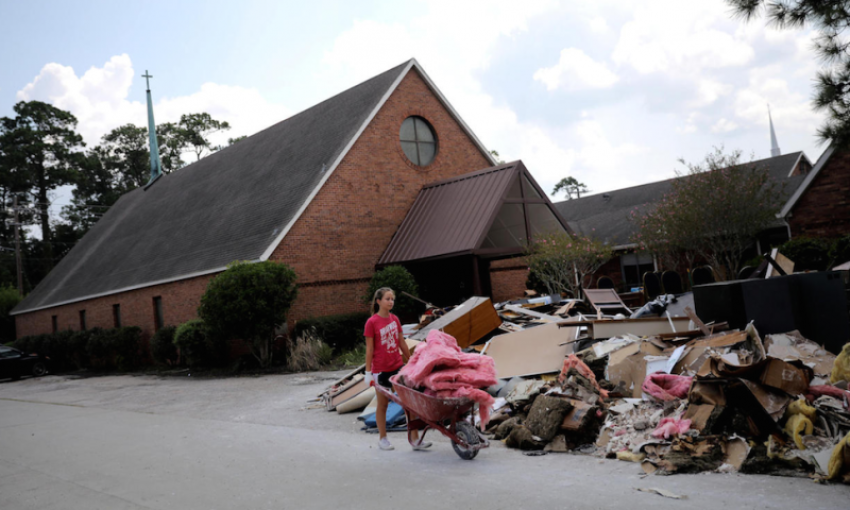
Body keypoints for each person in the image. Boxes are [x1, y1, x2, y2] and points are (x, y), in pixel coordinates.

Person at [364, 287, 431, 451]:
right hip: (380, 370)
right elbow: (370, 349)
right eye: (387, 299)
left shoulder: (394, 319)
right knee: (383, 405)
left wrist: (411, 360)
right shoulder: (372, 322)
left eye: (392, 299)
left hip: (397, 367)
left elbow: (402, 342)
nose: (391, 301)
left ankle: (415, 439)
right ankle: (383, 438)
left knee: (409, 403)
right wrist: (367, 372)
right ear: (378, 301)